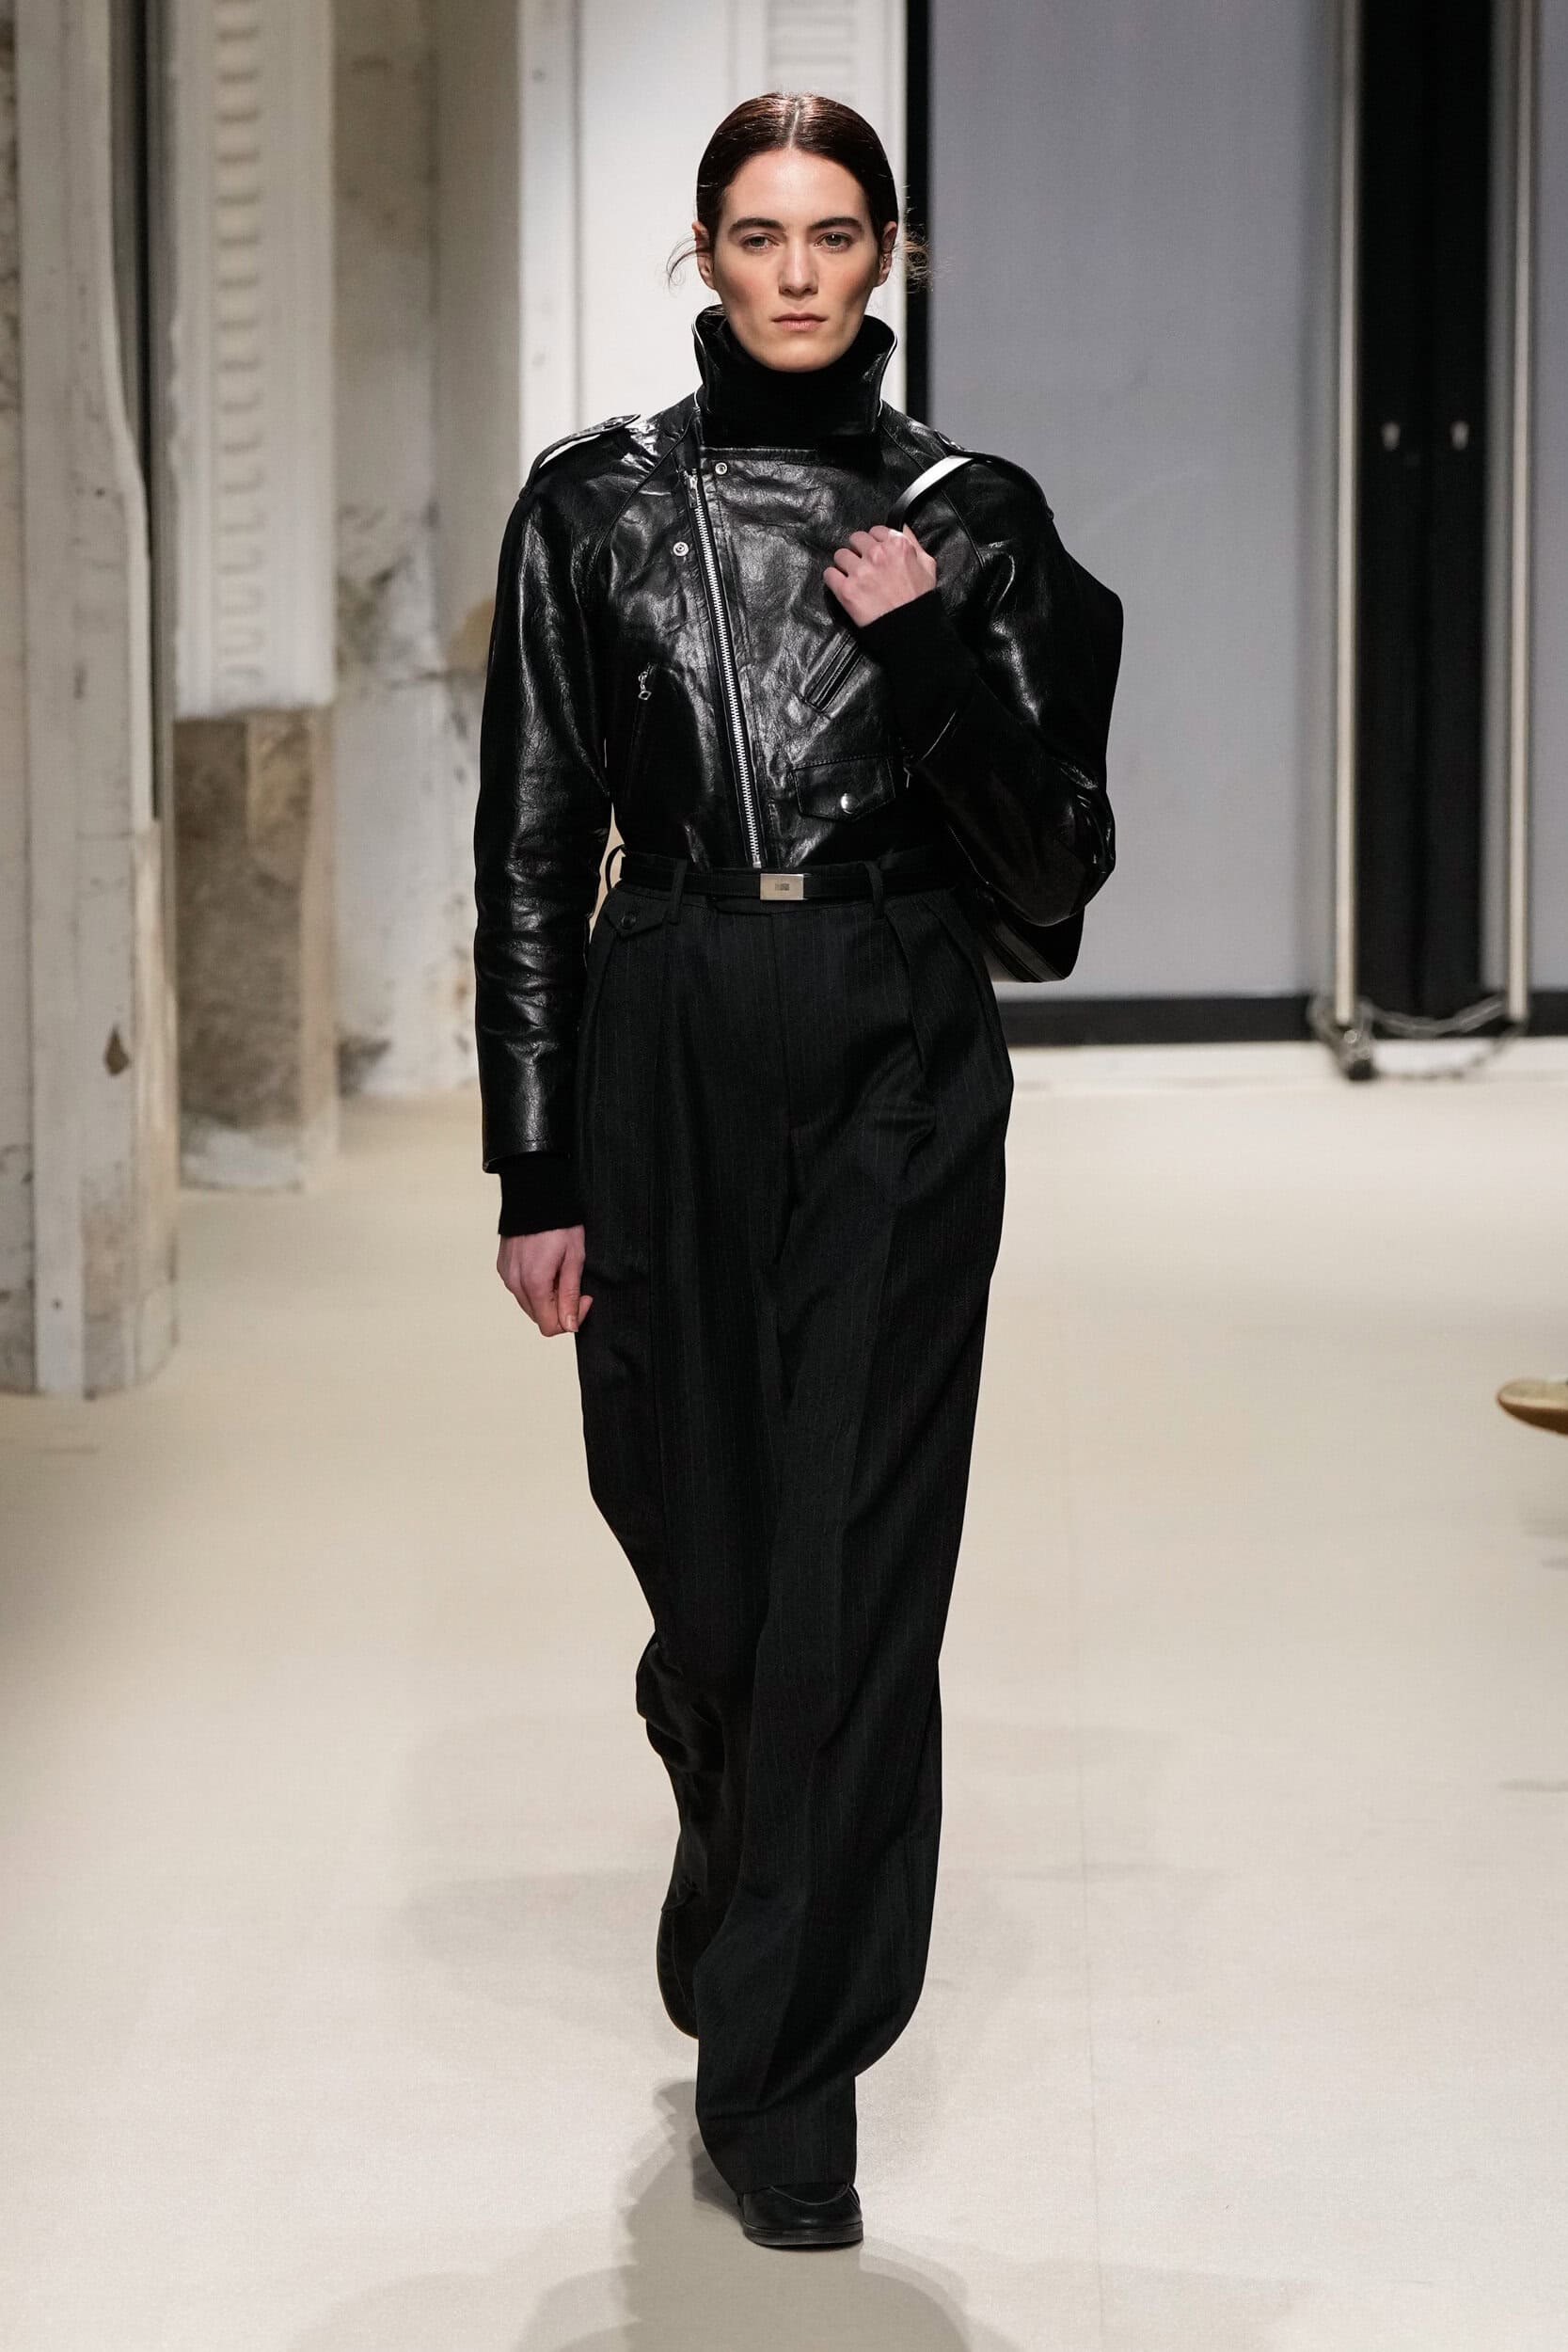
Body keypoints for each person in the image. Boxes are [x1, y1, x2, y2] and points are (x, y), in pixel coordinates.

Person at [473, 91, 1120, 2250]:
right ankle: (723, 1777)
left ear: (889, 254)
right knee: (707, 1553)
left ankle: (787, 2078)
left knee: (852, 1559)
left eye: (835, 232)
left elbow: (1054, 880)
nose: (797, 271)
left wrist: (927, 639)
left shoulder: (977, 519)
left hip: (897, 1040)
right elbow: (533, 848)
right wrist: (535, 1160)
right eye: (758, 233)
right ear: (704, 253)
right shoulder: (591, 508)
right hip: (663, 1015)